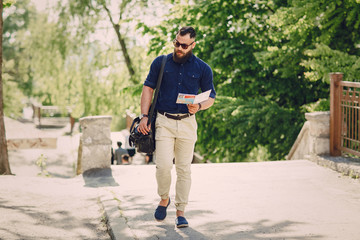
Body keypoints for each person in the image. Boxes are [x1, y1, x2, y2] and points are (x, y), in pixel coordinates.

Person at [138, 26, 216, 228]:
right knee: (163, 166)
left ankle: (181, 212)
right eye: (176, 43)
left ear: (193, 45)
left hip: (188, 123)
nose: (179, 48)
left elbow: (211, 97)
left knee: (184, 169)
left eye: (183, 45)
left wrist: (198, 106)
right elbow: (148, 88)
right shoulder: (161, 62)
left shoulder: (202, 68)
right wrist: (144, 116)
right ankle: (164, 198)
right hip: (163, 121)